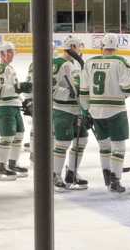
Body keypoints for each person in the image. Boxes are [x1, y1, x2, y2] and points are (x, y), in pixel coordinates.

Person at [80, 33, 130, 195]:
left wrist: (86, 112)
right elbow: (129, 89)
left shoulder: (90, 63)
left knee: (104, 145)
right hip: (116, 110)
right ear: (116, 47)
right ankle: (115, 180)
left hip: (96, 111)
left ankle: (106, 175)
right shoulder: (121, 62)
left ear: (101, 46)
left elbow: (83, 91)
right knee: (118, 146)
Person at [0, 41, 32, 180]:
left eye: (13, 51)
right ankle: (1, 166)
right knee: (7, 137)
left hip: (12, 105)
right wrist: (20, 87)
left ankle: (13, 163)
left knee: (19, 134)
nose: (13, 54)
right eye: (10, 51)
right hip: (4, 107)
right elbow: (1, 91)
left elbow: (6, 89)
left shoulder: (9, 68)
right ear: (2, 53)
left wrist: (22, 99)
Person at [52, 34, 88, 191]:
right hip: (62, 110)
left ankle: (72, 173)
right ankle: (55, 174)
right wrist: (67, 93)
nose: (80, 49)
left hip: (76, 109)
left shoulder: (76, 64)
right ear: (72, 46)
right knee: (63, 142)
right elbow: (49, 87)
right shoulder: (57, 63)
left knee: (82, 140)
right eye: (79, 46)